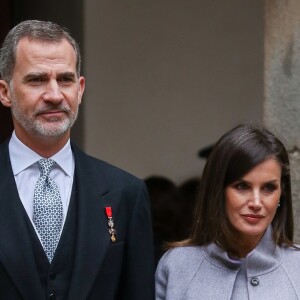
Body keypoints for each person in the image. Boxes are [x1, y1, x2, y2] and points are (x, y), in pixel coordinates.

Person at [0, 20, 154, 300]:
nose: (55, 95)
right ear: (5, 92)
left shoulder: (125, 194)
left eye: (65, 79)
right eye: (36, 80)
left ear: (80, 89)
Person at [155, 124, 300, 299]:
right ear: (218, 191)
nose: (256, 202)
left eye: (268, 188)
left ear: (281, 195)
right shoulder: (177, 265)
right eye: (242, 186)